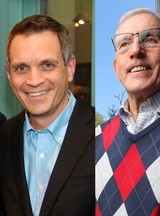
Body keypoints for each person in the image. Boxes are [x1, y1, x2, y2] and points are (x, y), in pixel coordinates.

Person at [96, 8, 160, 215]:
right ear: (116, 67)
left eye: (150, 39)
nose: (135, 50)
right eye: (124, 43)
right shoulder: (97, 139)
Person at [0, 15, 95, 216]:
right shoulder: (3, 136)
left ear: (70, 68)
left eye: (47, 65)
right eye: (22, 68)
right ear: (9, 76)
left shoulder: (105, 132)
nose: (34, 80)